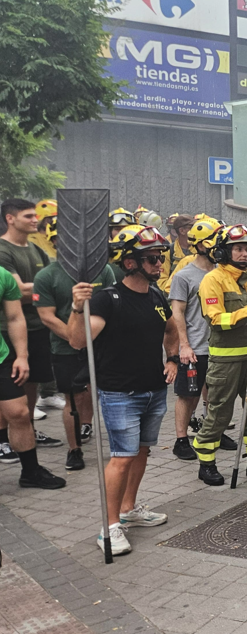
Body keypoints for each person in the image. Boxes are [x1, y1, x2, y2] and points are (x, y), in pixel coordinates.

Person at [68, 225, 177, 555]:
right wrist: (76, 308)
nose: (160, 264)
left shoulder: (157, 296)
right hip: (119, 393)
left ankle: (128, 510)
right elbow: (78, 341)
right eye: (153, 259)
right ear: (130, 262)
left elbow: (171, 329)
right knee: (122, 457)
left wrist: (173, 358)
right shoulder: (107, 299)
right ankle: (110, 526)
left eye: (161, 258)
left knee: (141, 451)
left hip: (154, 390)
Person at [33, 218, 119, 471]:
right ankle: (74, 450)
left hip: (101, 346)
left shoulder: (103, 270)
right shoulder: (46, 276)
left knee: (106, 395)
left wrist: (94, 338)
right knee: (73, 399)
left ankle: (114, 443)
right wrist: (76, 338)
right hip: (65, 349)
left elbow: (112, 304)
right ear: (55, 241)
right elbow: (47, 317)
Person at [193, 225, 247, 487]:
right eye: (238, 249)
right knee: (219, 414)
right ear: (222, 252)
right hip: (225, 362)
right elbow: (216, 320)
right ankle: (207, 464)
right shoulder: (212, 280)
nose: (244, 254)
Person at [0, 199, 63, 460]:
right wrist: (43, 290)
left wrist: (38, 291)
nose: (35, 220)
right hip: (8, 331)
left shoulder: (36, 249)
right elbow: (16, 290)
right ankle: (3, 440)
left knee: (31, 383)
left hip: (37, 327)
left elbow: (49, 283)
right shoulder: (3, 251)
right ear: (10, 218)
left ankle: (28, 432)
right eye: (28, 216)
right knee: (7, 388)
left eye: (35, 215)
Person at [169, 217, 232, 461]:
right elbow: (177, 312)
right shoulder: (184, 276)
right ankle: (181, 440)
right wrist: (184, 346)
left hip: (220, 346)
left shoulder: (223, 273)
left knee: (216, 394)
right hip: (195, 347)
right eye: (216, 241)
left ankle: (214, 432)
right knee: (188, 395)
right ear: (202, 244)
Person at [0, 263, 60, 488]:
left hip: (1, 358)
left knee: (19, 412)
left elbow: (15, 318)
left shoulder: (3, 276)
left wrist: (22, 356)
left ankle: (30, 472)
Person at [157, 213, 194, 294]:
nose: (195, 231)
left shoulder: (199, 250)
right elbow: (162, 281)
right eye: (191, 228)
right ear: (182, 231)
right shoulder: (168, 251)